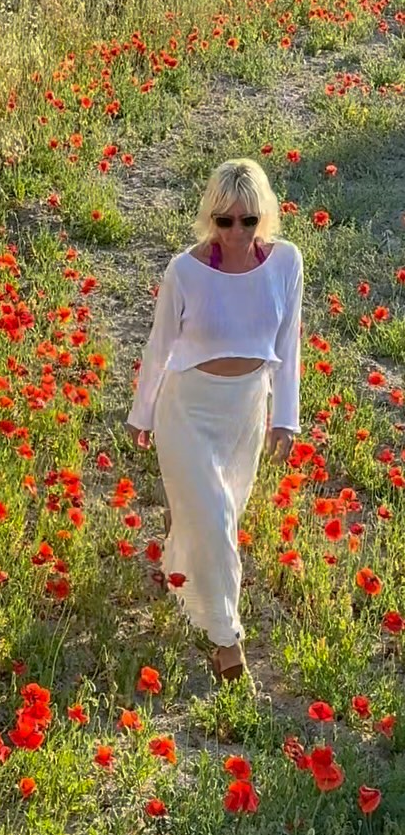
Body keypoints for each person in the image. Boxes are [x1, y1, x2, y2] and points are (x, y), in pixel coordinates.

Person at [125, 158, 304, 682]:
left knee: (214, 515)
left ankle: (177, 547)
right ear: (210, 217)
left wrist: (285, 418)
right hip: (187, 408)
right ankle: (227, 640)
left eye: (248, 220)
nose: (236, 232)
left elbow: (288, 345)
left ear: (264, 216)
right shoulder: (185, 271)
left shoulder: (286, 262)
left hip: (245, 411)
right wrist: (142, 413)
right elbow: (159, 346)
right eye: (225, 220)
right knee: (219, 522)